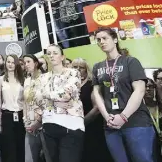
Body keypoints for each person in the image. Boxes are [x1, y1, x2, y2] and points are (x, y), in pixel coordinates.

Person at [92, 27, 154, 162]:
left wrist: (123, 116)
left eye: (105, 38)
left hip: (135, 122)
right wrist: (107, 117)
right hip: (110, 125)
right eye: (98, 40)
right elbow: (97, 93)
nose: (101, 42)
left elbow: (139, 90)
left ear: (115, 39)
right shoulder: (97, 67)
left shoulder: (130, 61)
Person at [35, 45, 85, 162]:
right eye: (49, 53)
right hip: (49, 123)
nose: (51, 55)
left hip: (71, 124)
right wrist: (55, 102)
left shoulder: (73, 73)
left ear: (62, 56)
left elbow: (66, 94)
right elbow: (37, 99)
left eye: (55, 53)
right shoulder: (42, 77)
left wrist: (47, 96)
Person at [72, 58, 112, 162]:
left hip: (92, 127)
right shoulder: (70, 86)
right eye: (75, 67)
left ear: (86, 70)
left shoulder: (91, 84)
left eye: (81, 68)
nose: (77, 69)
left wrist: (82, 122)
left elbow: (97, 108)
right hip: (75, 130)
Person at [0, 55, 25, 162]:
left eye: (13, 62)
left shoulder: (22, 80)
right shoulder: (0, 80)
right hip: (6, 115)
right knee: (8, 147)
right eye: (8, 62)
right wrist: (0, 121)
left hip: (21, 114)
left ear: (16, 64)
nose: (10, 64)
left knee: (20, 145)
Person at [22, 55, 43, 162]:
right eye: (24, 63)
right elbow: (25, 102)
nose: (26, 65)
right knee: (31, 157)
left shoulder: (45, 78)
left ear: (35, 63)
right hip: (30, 122)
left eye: (28, 62)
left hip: (44, 122)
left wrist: (39, 120)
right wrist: (25, 120)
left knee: (47, 156)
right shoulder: (26, 81)